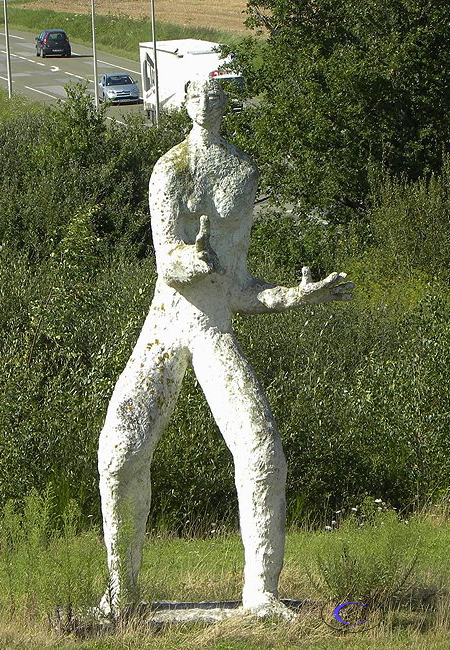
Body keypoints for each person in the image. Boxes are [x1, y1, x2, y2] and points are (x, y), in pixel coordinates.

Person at [98, 78, 354, 619]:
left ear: (225, 106)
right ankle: (122, 591)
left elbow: (238, 287)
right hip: (168, 324)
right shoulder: (169, 169)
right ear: (185, 104)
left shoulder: (242, 172)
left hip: (212, 327)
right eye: (199, 97)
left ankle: (260, 592)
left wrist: (298, 295)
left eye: (217, 98)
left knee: (262, 453)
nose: (208, 105)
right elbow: (167, 258)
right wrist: (183, 261)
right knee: (119, 452)